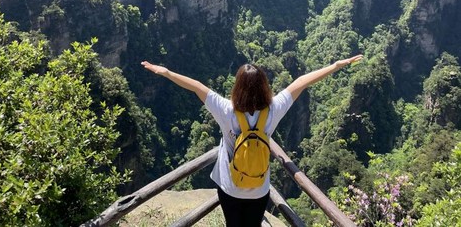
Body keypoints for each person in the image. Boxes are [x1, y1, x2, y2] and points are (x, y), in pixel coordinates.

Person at [141, 54, 363, 226]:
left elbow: (196, 86)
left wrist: (166, 72)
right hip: (259, 188)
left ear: (237, 87)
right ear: (264, 86)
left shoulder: (226, 109)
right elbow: (301, 82)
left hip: (230, 188)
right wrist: (336, 66)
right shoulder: (273, 109)